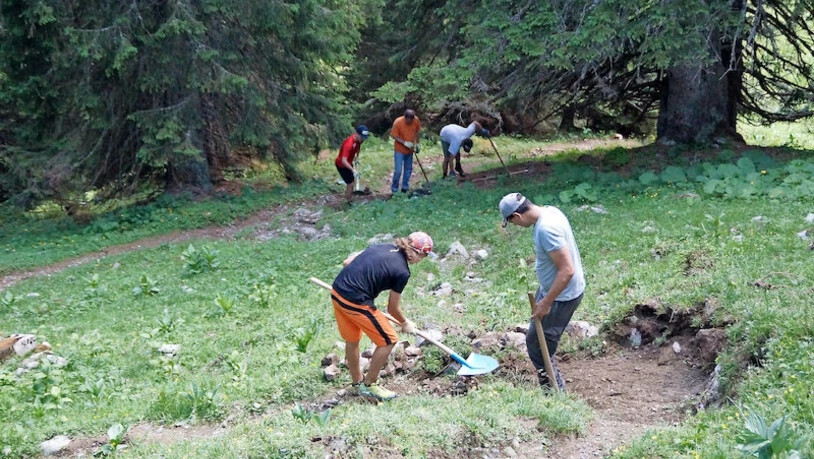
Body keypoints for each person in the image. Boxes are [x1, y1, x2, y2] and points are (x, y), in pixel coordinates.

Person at [330, 231, 434, 401]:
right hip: (356, 301)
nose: (421, 260)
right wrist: (405, 323)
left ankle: (357, 383)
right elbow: (393, 308)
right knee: (389, 339)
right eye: (423, 256)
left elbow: (347, 262)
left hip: (337, 291)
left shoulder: (383, 246)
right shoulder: (402, 272)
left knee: (352, 338)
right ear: (417, 253)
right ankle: (369, 385)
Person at [499, 193, 585, 390]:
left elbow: (567, 270)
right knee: (536, 339)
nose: (514, 226)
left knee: (539, 347)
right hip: (552, 289)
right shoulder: (551, 211)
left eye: (511, 222)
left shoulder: (546, 229)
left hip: (561, 297)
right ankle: (553, 389)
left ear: (517, 216)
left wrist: (546, 302)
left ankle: (555, 394)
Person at [335, 125, 369, 203]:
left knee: (350, 182)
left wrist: (357, 158)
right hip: (342, 165)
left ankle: (348, 197)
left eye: (364, 138)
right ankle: (348, 201)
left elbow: (357, 148)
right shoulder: (349, 144)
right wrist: (353, 170)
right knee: (351, 183)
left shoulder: (358, 141)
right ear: (356, 134)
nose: (362, 140)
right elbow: (343, 160)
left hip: (348, 163)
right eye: (361, 137)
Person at [389, 109, 421, 193]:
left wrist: (417, 143)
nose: (409, 122)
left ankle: (405, 187)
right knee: (398, 170)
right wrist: (404, 143)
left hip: (410, 150)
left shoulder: (416, 120)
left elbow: (417, 132)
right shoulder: (398, 122)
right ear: (405, 117)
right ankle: (394, 189)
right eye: (408, 120)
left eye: (411, 121)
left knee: (408, 169)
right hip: (399, 149)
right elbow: (394, 136)